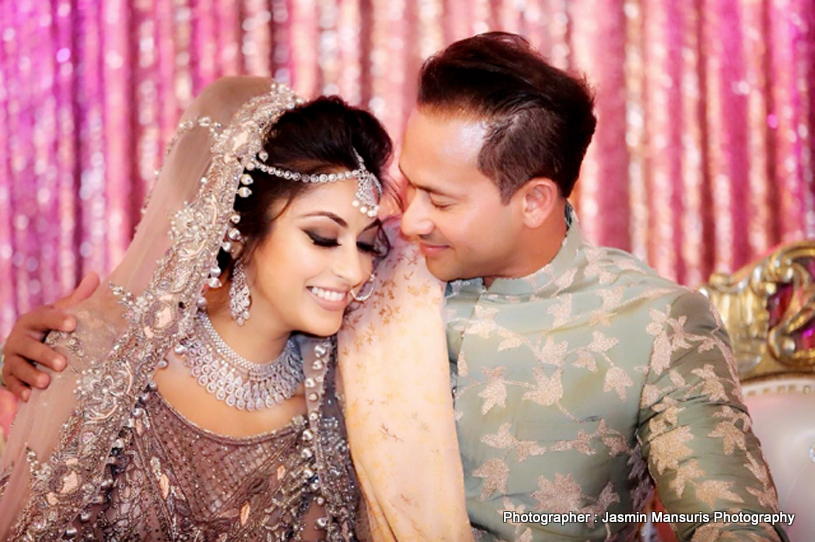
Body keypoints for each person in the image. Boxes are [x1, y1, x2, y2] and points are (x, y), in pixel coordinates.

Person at [3, 33, 789, 541]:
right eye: (405, 188)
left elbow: (731, 525)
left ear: (533, 202)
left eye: (439, 201)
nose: (402, 225)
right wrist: (37, 360)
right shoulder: (374, 284)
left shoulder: (650, 323)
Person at [0, 77, 471, 541]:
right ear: (241, 232)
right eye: (323, 237)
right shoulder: (106, 365)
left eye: (367, 244)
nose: (354, 271)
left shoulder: (348, 396)